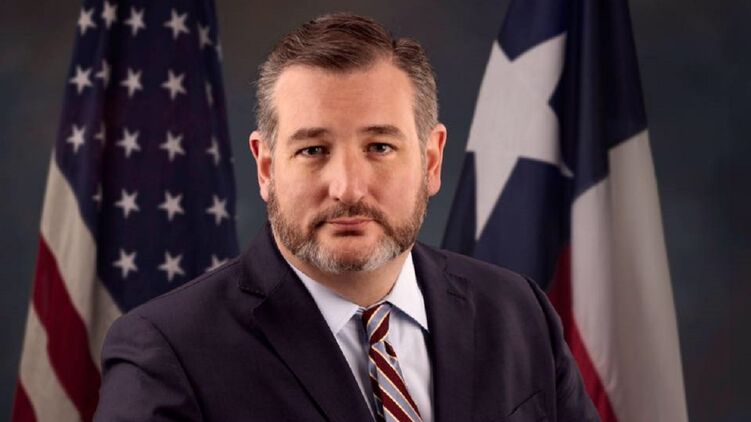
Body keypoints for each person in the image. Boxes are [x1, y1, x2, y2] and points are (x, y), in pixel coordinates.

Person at [95, 12, 599, 422]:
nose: (348, 188)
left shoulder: (519, 312)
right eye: (313, 150)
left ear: (431, 161)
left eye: (380, 147)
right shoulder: (167, 352)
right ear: (266, 167)